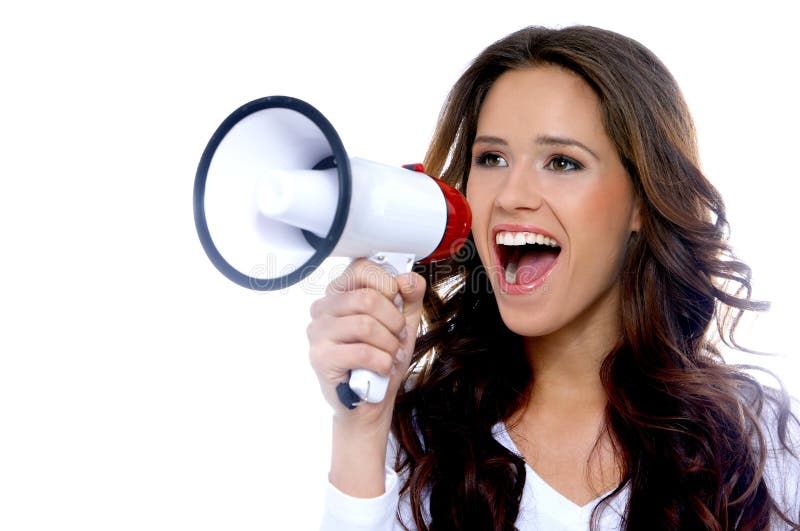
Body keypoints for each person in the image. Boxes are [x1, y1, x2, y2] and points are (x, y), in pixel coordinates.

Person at [306, 25, 800, 530]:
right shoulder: (410, 441)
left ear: (642, 202)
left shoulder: (763, 440)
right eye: (491, 158)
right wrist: (362, 431)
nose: (511, 195)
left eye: (562, 162)